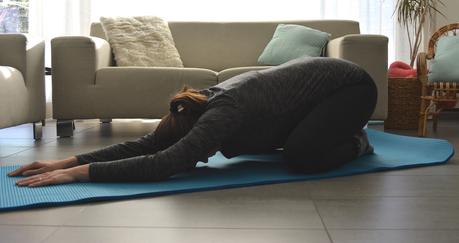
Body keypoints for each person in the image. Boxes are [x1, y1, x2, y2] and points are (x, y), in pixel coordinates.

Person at [9, 56, 377, 187]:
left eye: (199, 150)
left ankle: (356, 141)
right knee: (284, 146)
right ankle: (331, 130)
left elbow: (165, 162)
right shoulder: (196, 105)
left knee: (301, 156)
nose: (200, 157)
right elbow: (148, 147)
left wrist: (79, 176)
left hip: (351, 88)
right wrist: (67, 160)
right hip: (313, 94)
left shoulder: (222, 112)